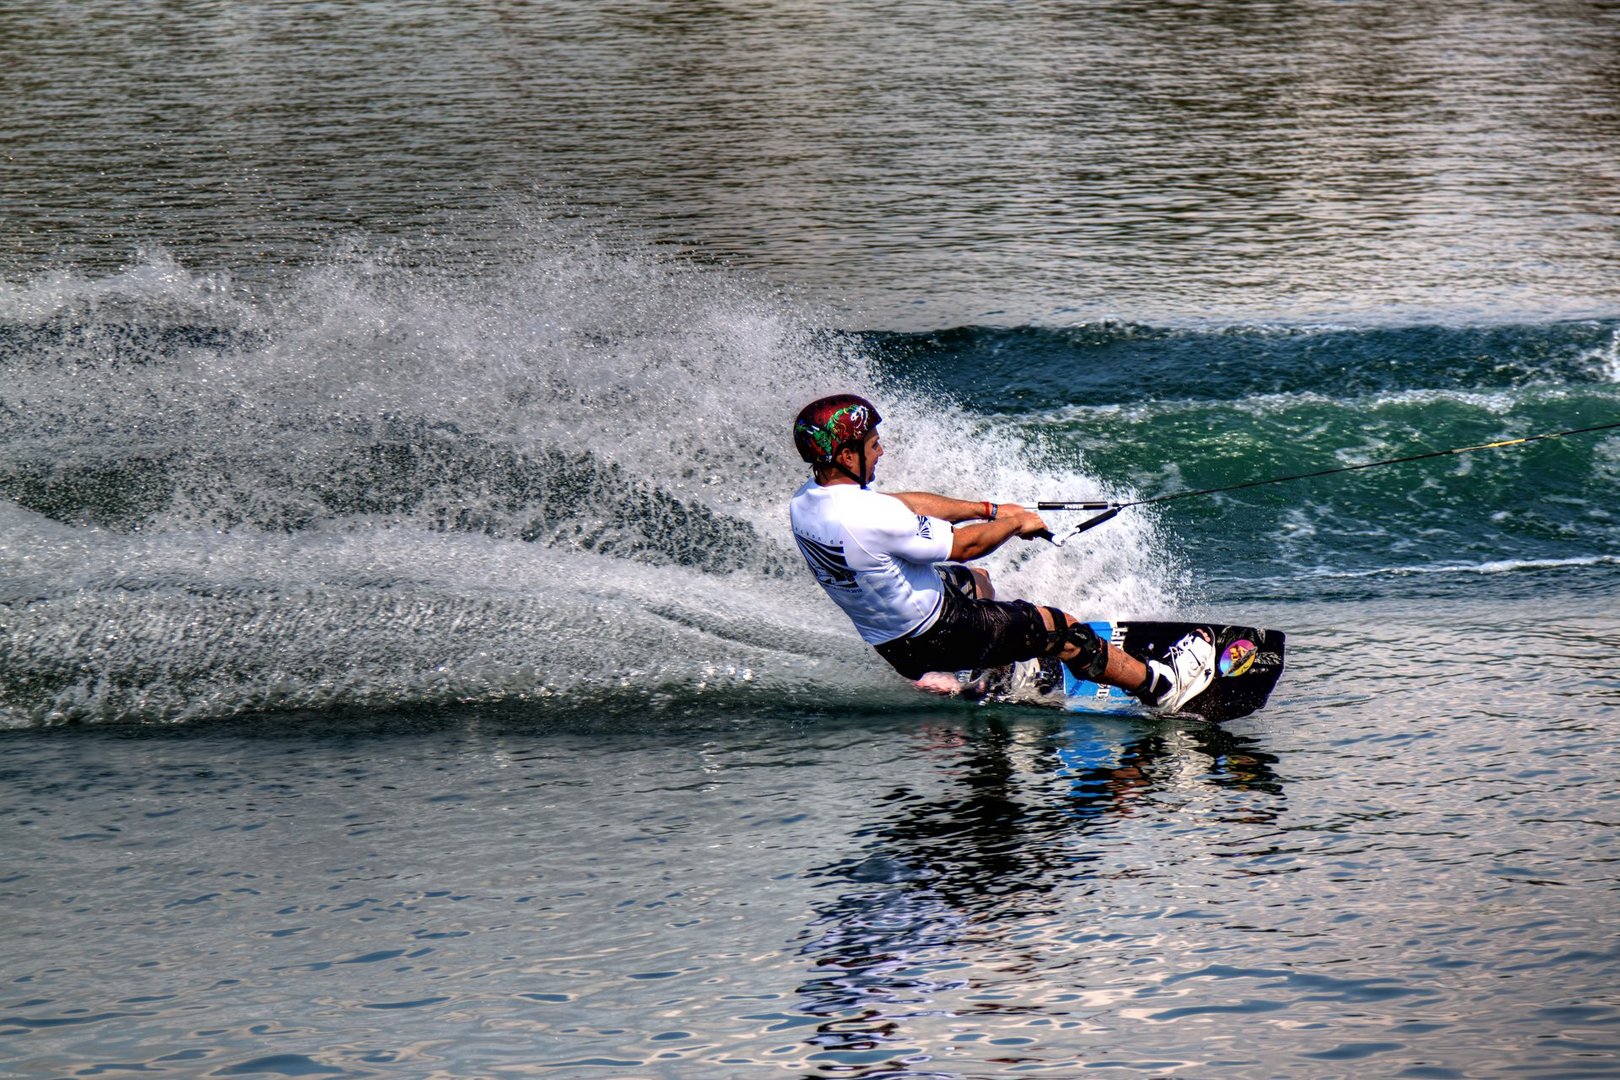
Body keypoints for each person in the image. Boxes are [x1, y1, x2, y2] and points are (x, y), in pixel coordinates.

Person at [787, 393, 1215, 712]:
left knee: (974, 580)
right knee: (1060, 629)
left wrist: (989, 510)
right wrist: (1015, 524)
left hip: (895, 646)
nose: (881, 451)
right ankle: (1161, 686)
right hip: (943, 633)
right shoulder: (869, 516)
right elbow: (966, 542)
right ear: (846, 454)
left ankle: (992, 673)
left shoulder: (807, 504)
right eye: (872, 444)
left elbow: (902, 506)